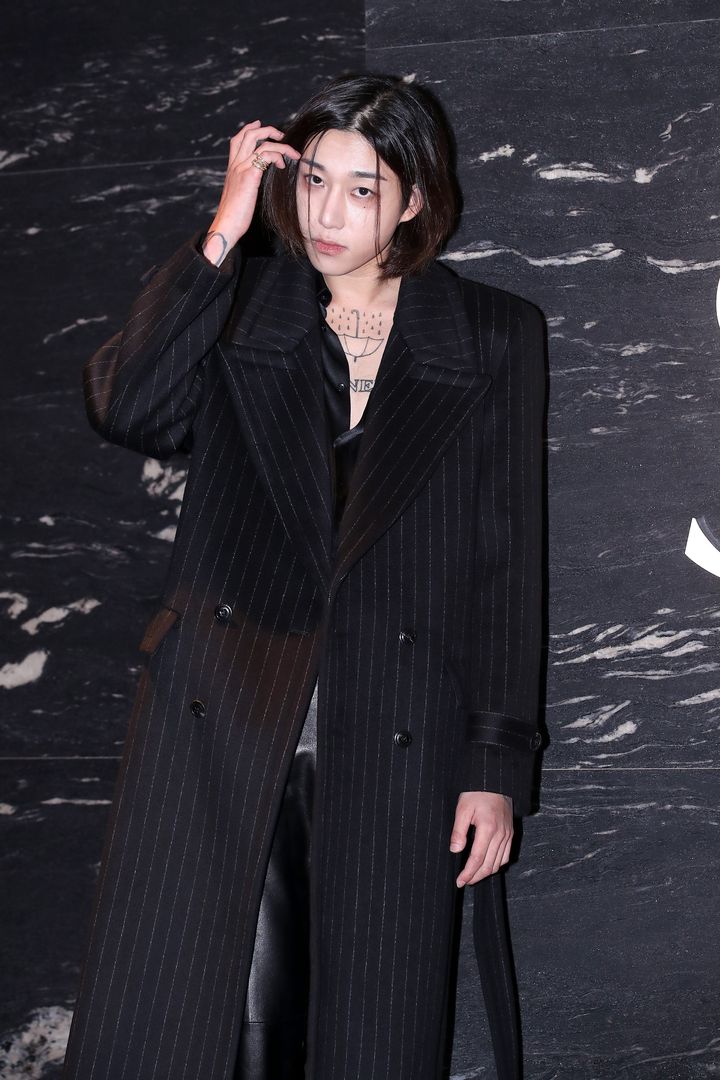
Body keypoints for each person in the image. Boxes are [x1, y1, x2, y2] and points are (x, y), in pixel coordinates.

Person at [61, 72, 546, 1080]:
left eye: (363, 189)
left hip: (397, 729)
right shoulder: (243, 304)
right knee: (212, 1028)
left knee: (364, 1029)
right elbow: (128, 407)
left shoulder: (493, 334)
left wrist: (494, 767)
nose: (328, 213)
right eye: (314, 179)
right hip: (223, 724)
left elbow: (504, 562)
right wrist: (223, 232)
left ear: (414, 199)